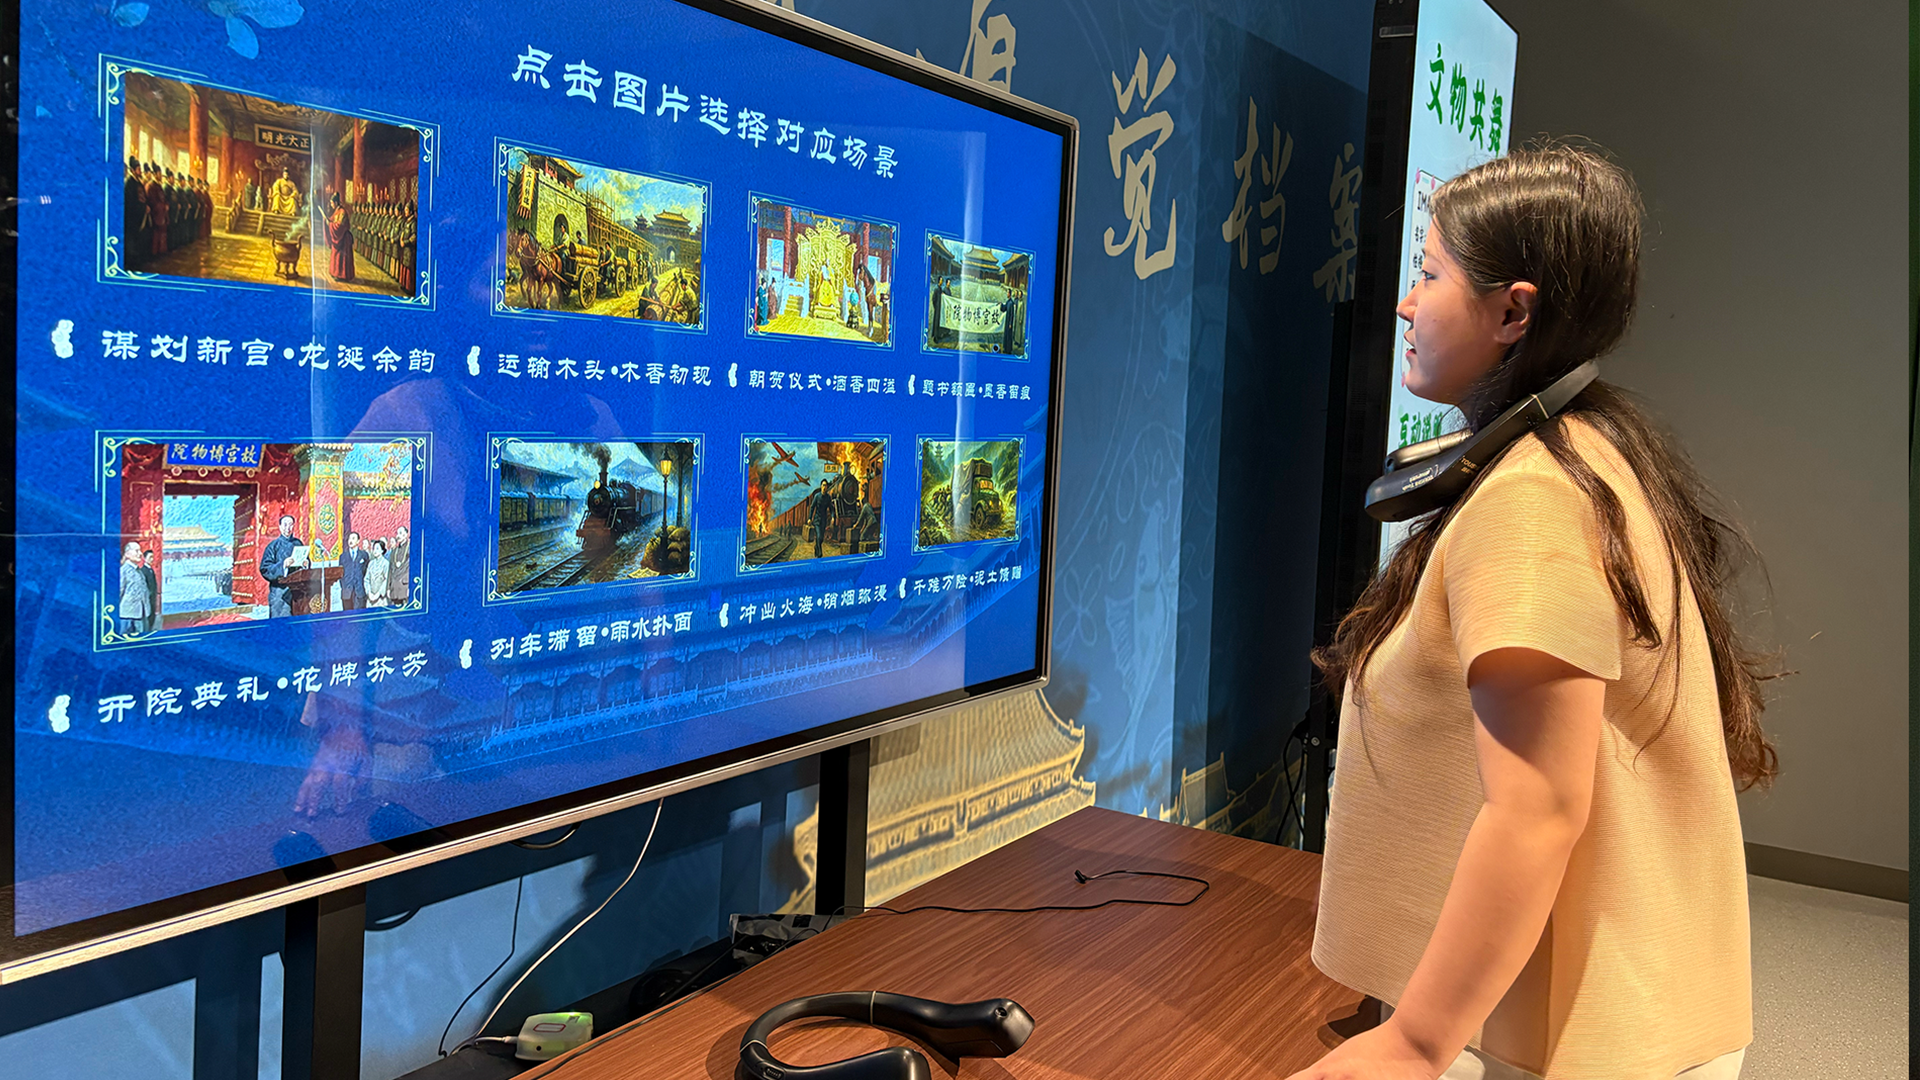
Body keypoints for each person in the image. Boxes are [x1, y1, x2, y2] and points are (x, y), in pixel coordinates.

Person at [1288, 146, 1771, 1080]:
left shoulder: (1533, 499)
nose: (1406, 304)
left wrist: (1415, 1042)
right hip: (1601, 1005)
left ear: (1513, 312)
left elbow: (1538, 809)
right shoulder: (1589, 451)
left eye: (1429, 275)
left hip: (1565, 1038)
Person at [259, 514, 307, 618]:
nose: (288, 528)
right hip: (280, 592)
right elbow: (265, 569)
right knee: (281, 623)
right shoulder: (273, 546)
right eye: (285, 525)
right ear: (280, 527)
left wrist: (305, 564)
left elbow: (306, 561)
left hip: (298, 591)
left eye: (291, 525)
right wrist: (283, 565)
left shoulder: (298, 543)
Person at [117, 541, 151, 636]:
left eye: (140, 551)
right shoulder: (123, 570)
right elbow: (119, 592)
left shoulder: (138, 571)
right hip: (128, 615)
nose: (140, 554)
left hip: (141, 613)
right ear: (127, 554)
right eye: (136, 551)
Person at [326, 192, 355, 283]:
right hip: (339, 237)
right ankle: (336, 273)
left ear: (336, 202)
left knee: (342, 257)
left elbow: (339, 226)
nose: (331, 205)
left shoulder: (342, 212)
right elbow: (332, 219)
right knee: (337, 256)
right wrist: (327, 220)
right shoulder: (337, 211)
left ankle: (342, 275)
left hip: (343, 239)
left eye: (332, 203)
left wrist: (330, 225)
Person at [340, 531, 370, 610]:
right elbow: (341, 574)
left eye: (353, 538)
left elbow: (365, 570)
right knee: (347, 615)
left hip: (359, 591)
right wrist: (344, 586)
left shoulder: (364, 555)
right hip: (347, 591)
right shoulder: (343, 556)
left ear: (358, 541)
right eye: (349, 539)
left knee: (360, 614)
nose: (351, 541)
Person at [386, 524, 411, 605]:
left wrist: (412, 587)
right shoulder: (394, 551)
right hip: (394, 586)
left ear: (406, 534)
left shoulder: (410, 549)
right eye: (397, 533)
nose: (398, 536)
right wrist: (388, 588)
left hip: (405, 586)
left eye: (400, 533)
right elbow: (390, 570)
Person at [364, 539, 390, 609]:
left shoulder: (386, 563)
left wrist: (378, 594)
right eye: (374, 548)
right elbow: (366, 579)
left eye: (377, 548)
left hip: (381, 599)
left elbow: (386, 580)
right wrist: (369, 592)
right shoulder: (371, 563)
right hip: (370, 598)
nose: (375, 551)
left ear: (382, 550)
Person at [141, 549, 161, 634]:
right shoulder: (143, 570)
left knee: (153, 615)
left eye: (153, 557)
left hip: (152, 597)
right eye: (150, 557)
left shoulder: (151, 569)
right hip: (147, 598)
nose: (152, 559)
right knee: (147, 617)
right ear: (144, 558)